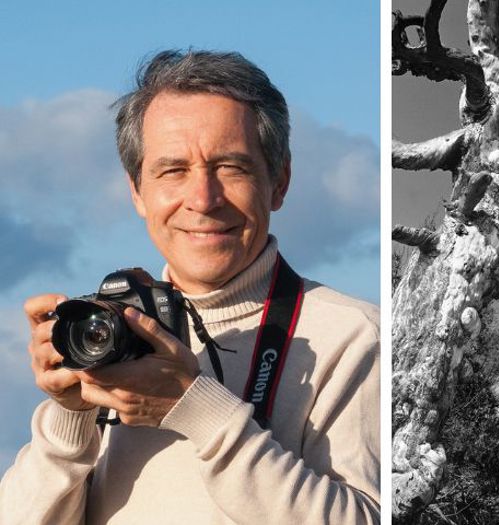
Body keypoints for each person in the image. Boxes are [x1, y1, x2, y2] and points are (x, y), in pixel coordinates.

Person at [0, 50, 380, 524]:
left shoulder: (353, 335)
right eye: (173, 170)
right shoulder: (107, 335)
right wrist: (70, 415)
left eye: (231, 167)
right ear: (137, 190)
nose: (202, 199)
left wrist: (195, 407)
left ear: (279, 182)